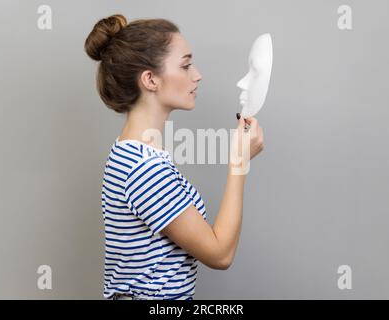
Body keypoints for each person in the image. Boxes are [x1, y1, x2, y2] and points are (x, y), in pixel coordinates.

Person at [84, 14, 264, 300]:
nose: (197, 74)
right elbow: (220, 254)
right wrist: (239, 163)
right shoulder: (144, 169)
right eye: (186, 65)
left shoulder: (130, 152)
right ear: (150, 79)